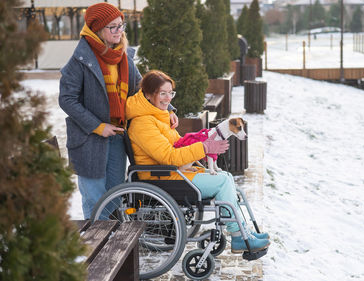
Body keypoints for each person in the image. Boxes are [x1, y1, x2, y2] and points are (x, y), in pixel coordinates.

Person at [125, 70, 270, 253]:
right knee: (223, 181)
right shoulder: (143, 124)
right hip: (163, 178)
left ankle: (243, 230)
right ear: (148, 94)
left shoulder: (158, 117)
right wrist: (204, 148)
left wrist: (199, 146)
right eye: (163, 93)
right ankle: (239, 236)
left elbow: (177, 147)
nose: (168, 98)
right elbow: (169, 156)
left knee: (225, 176)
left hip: (174, 173)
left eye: (171, 93)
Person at [58, 2, 178, 219]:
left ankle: (111, 240)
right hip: (89, 139)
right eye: (112, 27)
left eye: (121, 26)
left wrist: (167, 107)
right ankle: (97, 245)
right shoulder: (80, 60)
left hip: (118, 136)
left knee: (115, 193)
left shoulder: (123, 57)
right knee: (94, 197)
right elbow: (67, 100)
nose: (119, 31)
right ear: (98, 30)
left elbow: (144, 88)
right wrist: (97, 126)